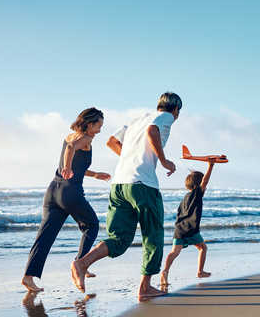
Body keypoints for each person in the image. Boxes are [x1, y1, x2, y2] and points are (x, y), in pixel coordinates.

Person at [70, 92, 181, 298]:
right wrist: (164, 161)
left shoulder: (136, 119)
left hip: (119, 184)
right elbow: (152, 131)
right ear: (175, 110)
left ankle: (82, 263)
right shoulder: (166, 116)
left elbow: (111, 141)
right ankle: (145, 288)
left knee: (119, 238)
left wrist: (133, 157)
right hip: (143, 185)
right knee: (153, 235)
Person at [21, 107, 111, 292]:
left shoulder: (70, 136)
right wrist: (69, 168)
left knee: (45, 236)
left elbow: (71, 158)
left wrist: (94, 174)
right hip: (70, 191)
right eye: (98, 126)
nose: (99, 131)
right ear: (90, 123)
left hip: (53, 190)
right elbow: (71, 153)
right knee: (91, 225)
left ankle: (28, 277)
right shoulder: (85, 138)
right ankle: (81, 265)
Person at [161, 158, 216, 286]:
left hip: (179, 229)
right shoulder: (197, 194)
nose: (205, 187)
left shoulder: (185, 198)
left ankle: (165, 271)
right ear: (197, 186)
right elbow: (205, 181)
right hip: (190, 230)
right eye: (203, 186)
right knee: (203, 248)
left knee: (174, 252)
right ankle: (200, 271)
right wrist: (211, 166)